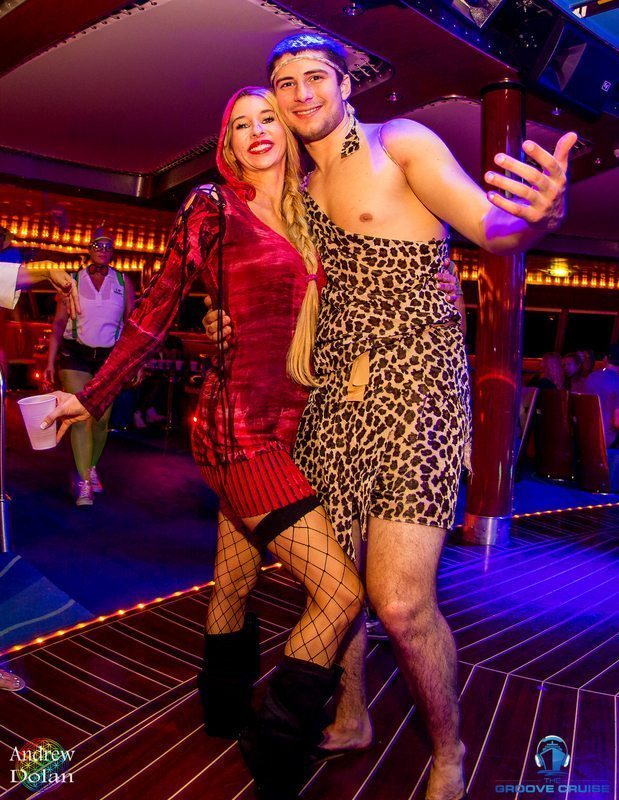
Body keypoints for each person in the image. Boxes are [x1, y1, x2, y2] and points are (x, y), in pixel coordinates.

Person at [205, 32, 575, 800]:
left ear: (347, 84)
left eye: (315, 76)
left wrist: (538, 218)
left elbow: (492, 227)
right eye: (285, 82)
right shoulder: (297, 194)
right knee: (333, 585)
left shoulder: (398, 143)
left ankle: (449, 749)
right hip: (331, 402)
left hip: (417, 391)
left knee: (401, 604)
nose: (301, 92)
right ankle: (352, 717)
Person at [43, 86, 365, 800]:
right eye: (240, 124)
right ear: (227, 144)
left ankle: (221, 713)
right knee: (341, 595)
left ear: (287, 131)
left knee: (235, 581)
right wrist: (92, 394)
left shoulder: (313, 212)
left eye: (267, 118)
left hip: (298, 429)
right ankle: (275, 749)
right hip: (239, 432)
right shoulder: (213, 207)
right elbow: (157, 308)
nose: (256, 131)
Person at [44, 229, 135, 506]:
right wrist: (49, 362)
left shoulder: (123, 281)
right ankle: (84, 482)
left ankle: (91, 466)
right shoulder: (72, 280)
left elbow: (132, 325)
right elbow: (59, 323)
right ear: (89, 248)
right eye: (98, 244)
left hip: (109, 358)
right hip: (76, 354)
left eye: (108, 245)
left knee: (101, 420)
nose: (103, 249)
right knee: (80, 417)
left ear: (113, 251)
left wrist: (135, 361)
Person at [584, 344, 619, 450]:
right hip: (609, 442)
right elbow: (617, 422)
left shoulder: (591, 377)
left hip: (587, 436)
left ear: (605, 359)